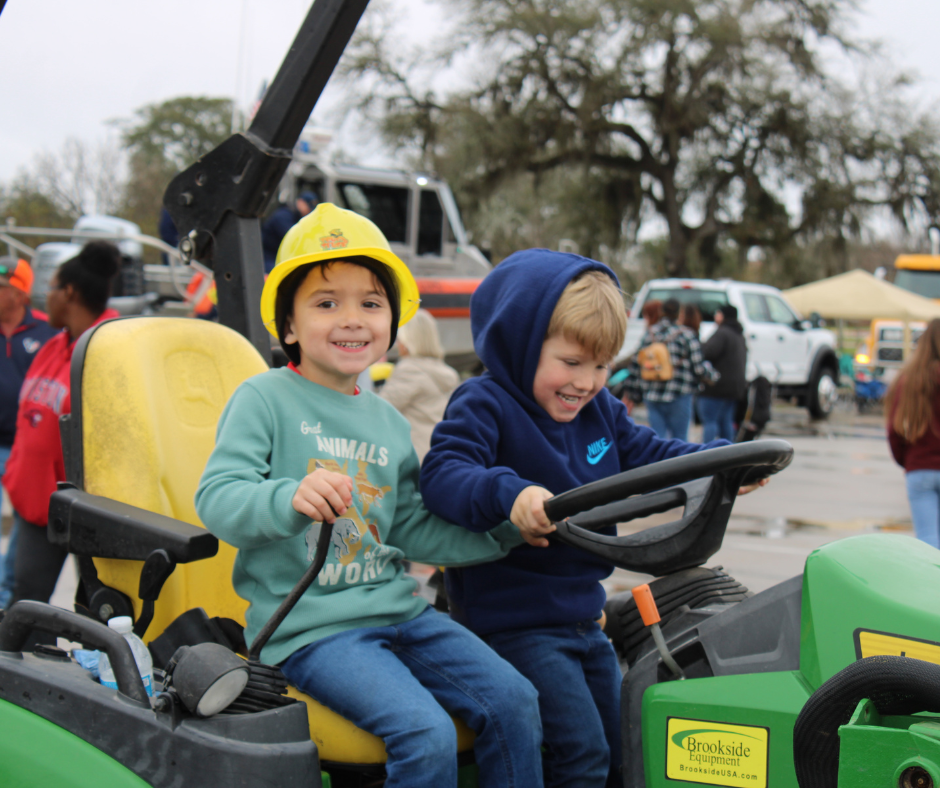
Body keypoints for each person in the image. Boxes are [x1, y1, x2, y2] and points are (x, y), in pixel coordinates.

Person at [195, 203, 543, 788]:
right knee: (425, 734)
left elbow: (410, 525)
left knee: (517, 701)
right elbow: (218, 498)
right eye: (327, 303)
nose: (352, 319)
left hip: (400, 611)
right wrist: (289, 498)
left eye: (371, 303)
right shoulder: (262, 398)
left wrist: (506, 532)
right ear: (288, 326)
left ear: (391, 322)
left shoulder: (385, 419)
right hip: (309, 630)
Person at [419, 250, 758, 788]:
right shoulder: (485, 403)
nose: (587, 381)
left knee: (627, 750)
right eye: (571, 363)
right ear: (521, 345)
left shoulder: (598, 411)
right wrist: (510, 494)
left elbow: (649, 453)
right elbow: (443, 473)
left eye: (601, 366)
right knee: (580, 755)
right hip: (514, 624)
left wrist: (726, 462)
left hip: (584, 619)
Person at [3, 242, 120, 624]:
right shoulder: (54, 345)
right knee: (26, 607)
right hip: (38, 508)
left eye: (51, 289)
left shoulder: (112, 346)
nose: (45, 299)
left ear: (69, 292)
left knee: (95, 614)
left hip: (89, 513)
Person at [0, 258, 59, 608]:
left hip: (25, 445)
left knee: (26, 520)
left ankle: (7, 596)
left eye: (4, 287)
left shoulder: (46, 331)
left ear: (21, 294)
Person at [630, 298, 717, 441]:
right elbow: (698, 367)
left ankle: (659, 463)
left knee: (657, 438)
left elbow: (636, 361)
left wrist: (635, 389)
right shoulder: (686, 335)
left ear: (662, 311)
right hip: (679, 394)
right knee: (680, 439)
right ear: (679, 313)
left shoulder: (650, 333)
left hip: (652, 394)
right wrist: (713, 376)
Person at [886, 318, 940, 549]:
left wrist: (907, 462)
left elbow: (894, 430)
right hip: (920, 466)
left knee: (928, 541)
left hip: (920, 469)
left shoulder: (907, 381)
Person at [379, 308, 460, 462]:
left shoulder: (410, 370)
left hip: (415, 457)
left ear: (409, 340)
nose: (397, 343)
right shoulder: (447, 372)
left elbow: (381, 410)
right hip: (440, 452)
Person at [698, 304, 748, 443]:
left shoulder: (722, 333)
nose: (715, 316)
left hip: (717, 387)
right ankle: (728, 452)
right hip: (735, 388)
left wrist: (699, 345)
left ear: (724, 315)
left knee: (710, 421)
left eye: (718, 313)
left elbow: (707, 352)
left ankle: (706, 453)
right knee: (726, 420)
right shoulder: (739, 334)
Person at [261, 190, 318, 273]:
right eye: (308, 207)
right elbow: (294, 239)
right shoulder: (283, 216)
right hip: (267, 257)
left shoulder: (297, 217)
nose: (309, 211)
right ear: (300, 202)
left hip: (278, 257)